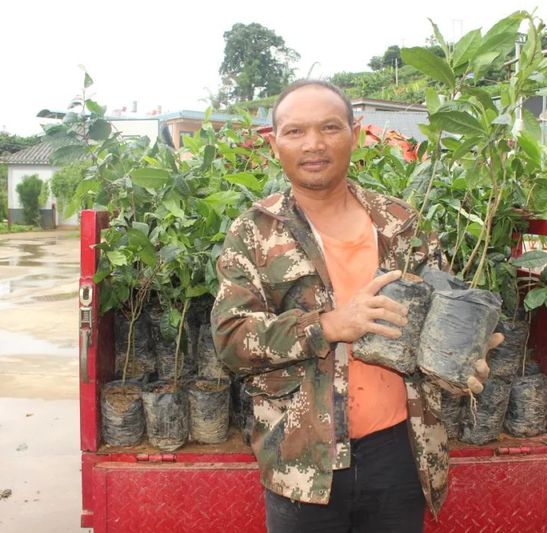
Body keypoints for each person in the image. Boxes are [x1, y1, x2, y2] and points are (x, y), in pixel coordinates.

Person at [211, 80, 499, 533]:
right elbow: (230, 339)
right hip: (303, 458)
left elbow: (441, 315)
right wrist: (327, 325)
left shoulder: (400, 223)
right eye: (295, 131)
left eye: (329, 127)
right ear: (275, 142)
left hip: (399, 451)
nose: (314, 144)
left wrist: (465, 356)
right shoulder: (253, 233)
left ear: (354, 133)